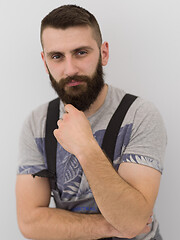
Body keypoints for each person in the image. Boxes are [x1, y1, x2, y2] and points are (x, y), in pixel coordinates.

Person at [16, 4, 167, 240]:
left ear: (103, 53)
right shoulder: (37, 124)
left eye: (81, 52)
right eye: (57, 56)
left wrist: (86, 147)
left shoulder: (140, 115)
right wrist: (108, 226)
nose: (70, 69)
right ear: (45, 62)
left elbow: (132, 220)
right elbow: (30, 222)